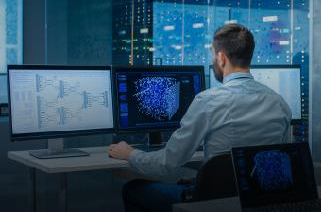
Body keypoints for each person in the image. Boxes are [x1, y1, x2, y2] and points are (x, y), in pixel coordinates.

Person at [108, 23, 292, 212]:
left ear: (221, 58)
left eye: (213, 54)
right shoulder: (279, 103)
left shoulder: (208, 101)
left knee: (133, 189)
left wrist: (129, 154)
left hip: (211, 204)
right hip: (259, 203)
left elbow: (167, 165)